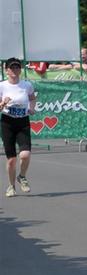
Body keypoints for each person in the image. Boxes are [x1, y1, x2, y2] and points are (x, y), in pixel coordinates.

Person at [0, 58, 36, 197]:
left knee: (25, 155)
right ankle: (11, 186)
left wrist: (31, 108)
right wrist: (3, 102)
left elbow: (32, 98)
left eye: (17, 67)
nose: (14, 70)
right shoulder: (2, 86)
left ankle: (22, 176)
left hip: (23, 122)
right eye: (11, 68)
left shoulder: (26, 85)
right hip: (7, 123)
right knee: (11, 160)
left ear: (20, 69)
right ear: (6, 70)